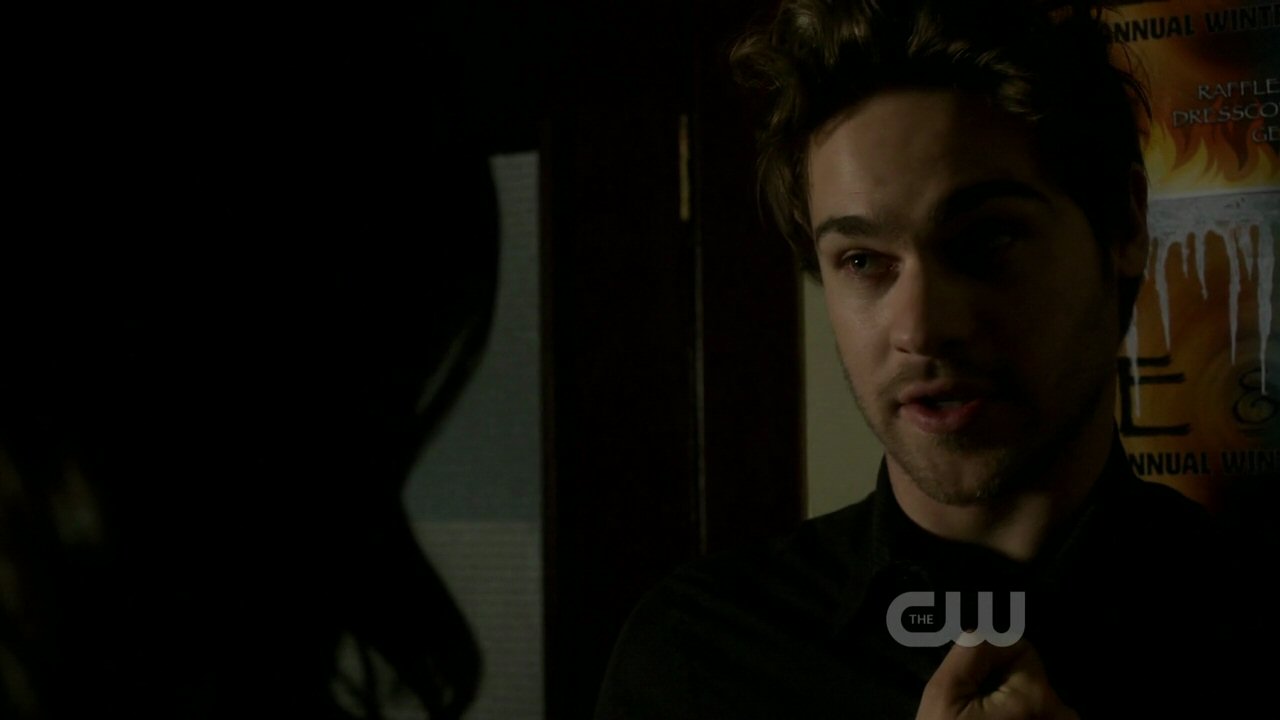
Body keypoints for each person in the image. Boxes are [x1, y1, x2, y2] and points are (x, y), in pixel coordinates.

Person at [594, 1, 1257, 717]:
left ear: (1123, 225)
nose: (922, 328)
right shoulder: (700, 656)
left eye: (987, 239)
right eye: (862, 260)